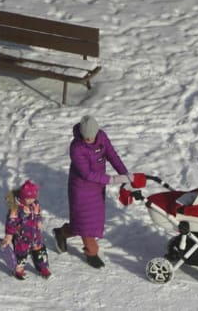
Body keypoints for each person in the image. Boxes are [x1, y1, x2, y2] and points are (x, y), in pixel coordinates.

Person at [53, 115, 145, 268]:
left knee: (89, 221)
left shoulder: (101, 137)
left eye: (91, 136)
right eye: (86, 137)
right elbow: (87, 174)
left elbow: (112, 156)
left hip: (97, 187)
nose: (89, 139)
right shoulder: (76, 148)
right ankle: (91, 252)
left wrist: (126, 176)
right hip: (81, 188)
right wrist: (114, 180)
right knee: (85, 221)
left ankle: (62, 233)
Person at [1, 180, 52, 280]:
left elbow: (37, 214)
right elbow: (11, 222)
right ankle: (19, 268)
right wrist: (9, 235)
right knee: (21, 253)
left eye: (33, 198)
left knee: (39, 251)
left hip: (35, 234)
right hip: (22, 236)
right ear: (22, 196)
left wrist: (39, 221)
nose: (30, 200)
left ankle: (43, 267)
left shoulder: (35, 204)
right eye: (28, 198)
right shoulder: (16, 208)